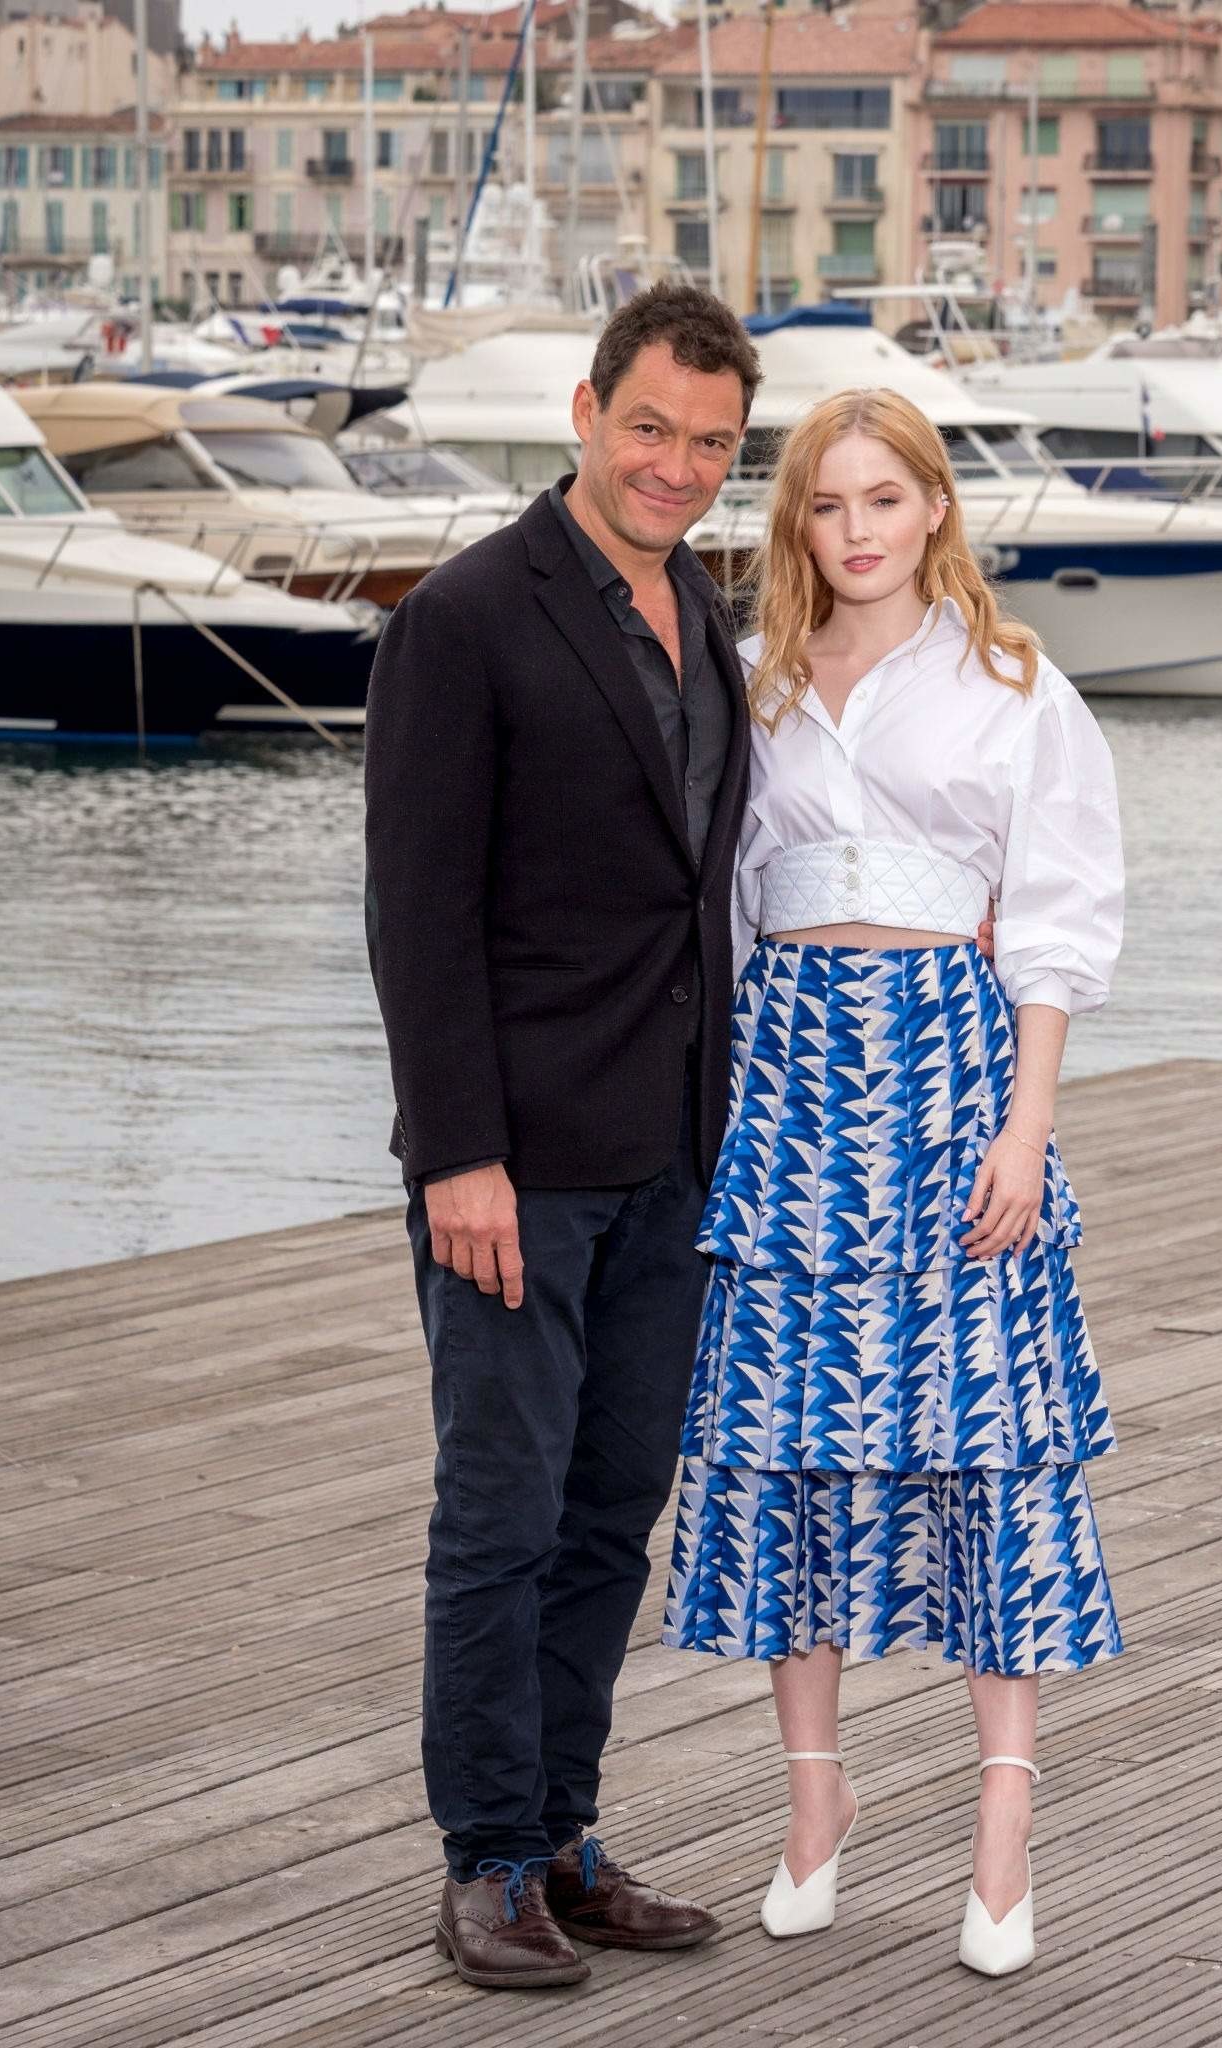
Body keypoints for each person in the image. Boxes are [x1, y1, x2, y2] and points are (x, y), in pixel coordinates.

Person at [662, 389, 1126, 1979]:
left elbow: (1057, 915)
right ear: (796, 525)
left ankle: (1004, 1825)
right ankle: (816, 1801)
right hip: (793, 1084)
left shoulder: (1016, 686)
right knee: (788, 1443)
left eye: (883, 498)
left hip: (954, 1080)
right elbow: (723, 911)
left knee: (990, 1445)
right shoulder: (753, 682)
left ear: (935, 506)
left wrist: (1026, 1127)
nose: (855, 530)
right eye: (824, 503)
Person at [363, 282, 762, 1991]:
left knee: (611, 1516)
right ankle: (485, 1862)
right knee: (502, 1517)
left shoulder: (704, 612)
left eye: (713, 443)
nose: (678, 465)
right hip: (514, 1167)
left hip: (673, 1154)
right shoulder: (463, 619)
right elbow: (417, 914)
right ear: (588, 415)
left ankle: (563, 1836)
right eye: (652, 427)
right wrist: (458, 1154)